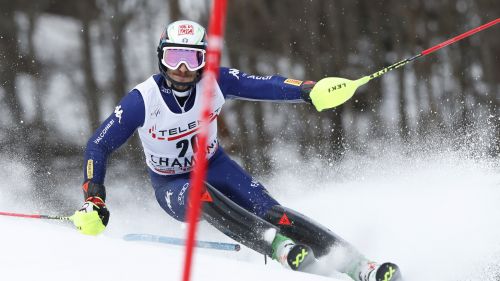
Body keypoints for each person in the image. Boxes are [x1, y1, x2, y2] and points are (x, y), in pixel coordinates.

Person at [72, 20, 401, 281]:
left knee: (273, 212)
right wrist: (94, 197)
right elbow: (98, 145)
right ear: (161, 58)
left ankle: (360, 266)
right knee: (198, 191)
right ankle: (278, 248)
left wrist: (308, 91)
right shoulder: (142, 100)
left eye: (192, 58)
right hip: (172, 184)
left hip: (215, 165)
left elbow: (265, 84)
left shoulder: (215, 80)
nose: (183, 68)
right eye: (174, 58)